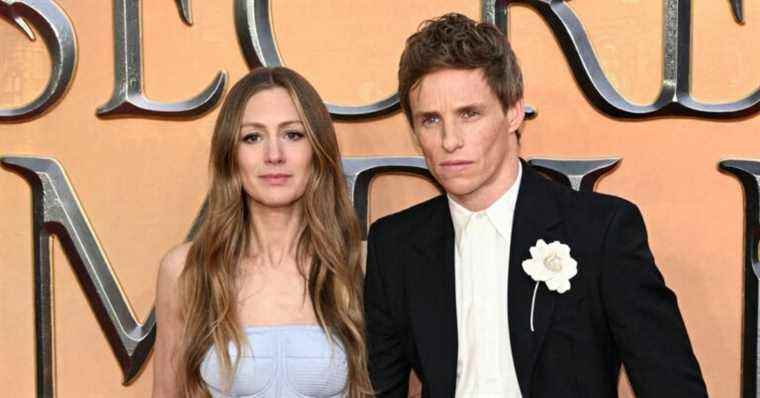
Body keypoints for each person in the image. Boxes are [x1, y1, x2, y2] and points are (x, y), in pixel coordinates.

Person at [364, 13, 708, 397]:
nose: (449, 141)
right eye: (430, 120)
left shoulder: (600, 232)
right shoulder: (393, 247)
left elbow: (673, 386)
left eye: (469, 114)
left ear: (513, 111)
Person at [152, 67, 372, 397]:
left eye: (293, 135)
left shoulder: (361, 264)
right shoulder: (186, 269)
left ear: (317, 149)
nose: (274, 156)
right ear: (231, 155)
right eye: (253, 137)